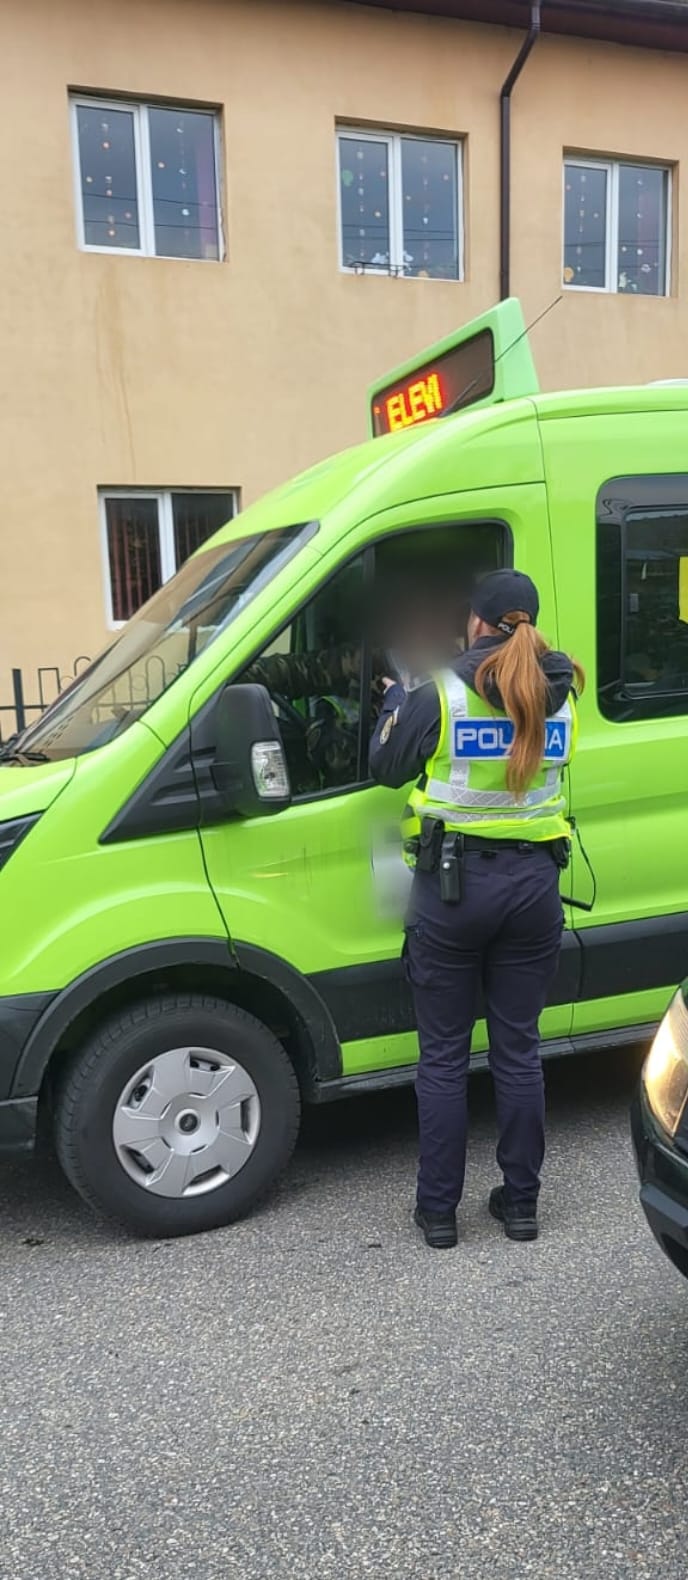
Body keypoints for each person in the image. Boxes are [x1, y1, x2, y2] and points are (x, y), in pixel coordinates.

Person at [369, 568, 584, 1250]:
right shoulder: (562, 693)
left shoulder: (443, 691)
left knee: (442, 1059)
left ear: (477, 622)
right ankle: (521, 1206)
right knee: (519, 1052)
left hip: (455, 892)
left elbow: (385, 766)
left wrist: (394, 700)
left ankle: (439, 1213)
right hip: (534, 890)